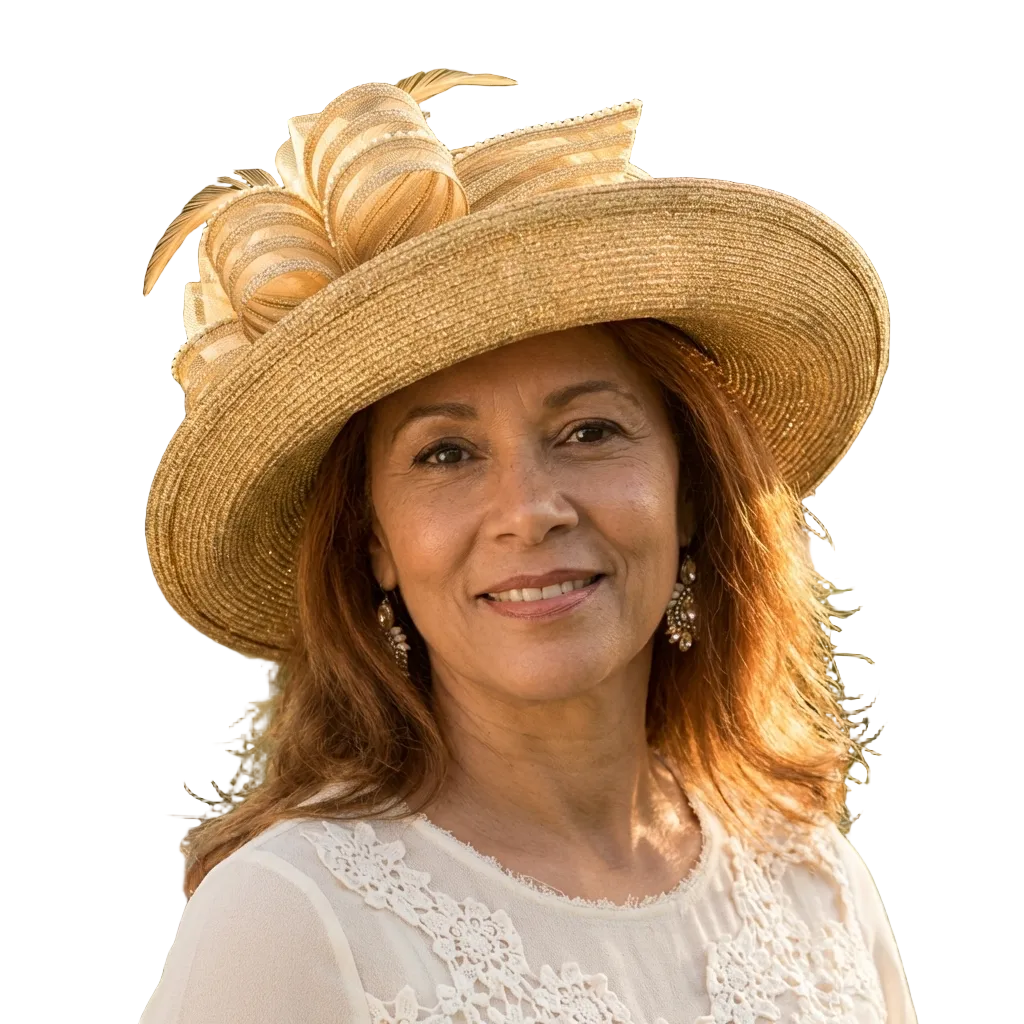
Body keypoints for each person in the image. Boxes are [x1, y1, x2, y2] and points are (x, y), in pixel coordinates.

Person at [138, 68, 917, 1023]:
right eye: (447, 453)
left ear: (691, 487)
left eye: (590, 432)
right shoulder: (293, 919)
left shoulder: (821, 887)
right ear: (373, 544)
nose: (530, 509)